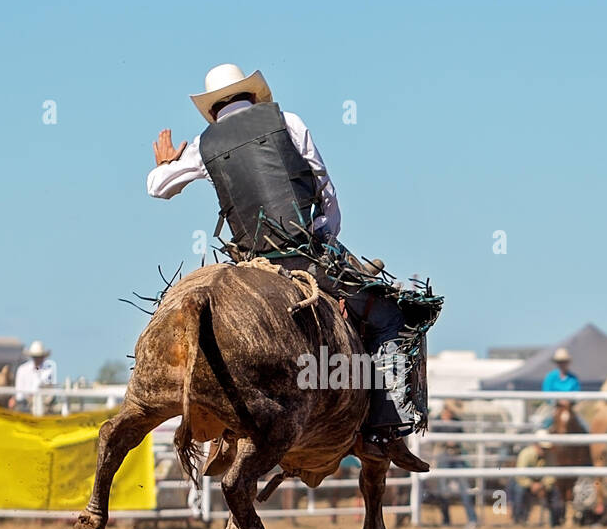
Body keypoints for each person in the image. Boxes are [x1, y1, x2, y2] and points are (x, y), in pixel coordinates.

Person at [146, 63, 440, 473]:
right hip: (308, 258)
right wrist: (328, 236)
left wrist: (165, 165)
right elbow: (325, 187)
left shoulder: (202, 144)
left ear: (213, 109)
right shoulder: (288, 121)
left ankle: (227, 427)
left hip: (251, 263)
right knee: (392, 315)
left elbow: (158, 188)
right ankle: (383, 429)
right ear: (253, 94)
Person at [427, 400, 478, 529]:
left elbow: (461, 437)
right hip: (443, 455)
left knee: (463, 487)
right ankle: (446, 520)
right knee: (443, 489)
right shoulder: (438, 420)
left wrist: (454, 442)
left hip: (456, 455)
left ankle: (472, 519)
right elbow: (433, 439)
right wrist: (446, 442)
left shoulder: (456, 421)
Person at [511, 440, 564, 526]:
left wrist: (542, 485)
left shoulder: (550, 455)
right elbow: (520, 476)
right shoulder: (526, 454)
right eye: (542, 448)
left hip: (542, 484)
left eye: (546, 448)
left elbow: (552, 475)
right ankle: (518, 520)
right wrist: (532, 485)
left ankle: (555, 522)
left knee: (555, 494)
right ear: (536, 445)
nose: (544, 450)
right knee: (519, 489)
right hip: (527, 484)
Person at [11, 340, 58, 414]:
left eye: (40, 357)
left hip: (44, 405)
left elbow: (49, 392)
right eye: (36, 357)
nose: (38, 359)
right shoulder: (22, 369)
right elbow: (19, 394)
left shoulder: (48, 370)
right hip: (25, 405)